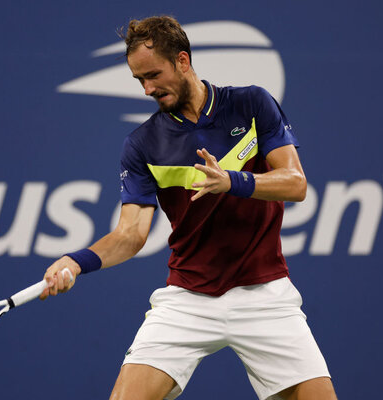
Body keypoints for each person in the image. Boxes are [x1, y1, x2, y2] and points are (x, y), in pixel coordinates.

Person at [40, 16, 337, 400]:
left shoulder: (251, 104)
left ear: (182, 61)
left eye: (153, 75)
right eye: (139, 80)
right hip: (187, 299)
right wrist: (76, 261)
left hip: (265, 293)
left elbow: (295, 184)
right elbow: (130, 235)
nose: (147, 88)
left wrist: (233, 181)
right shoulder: (143, 143)